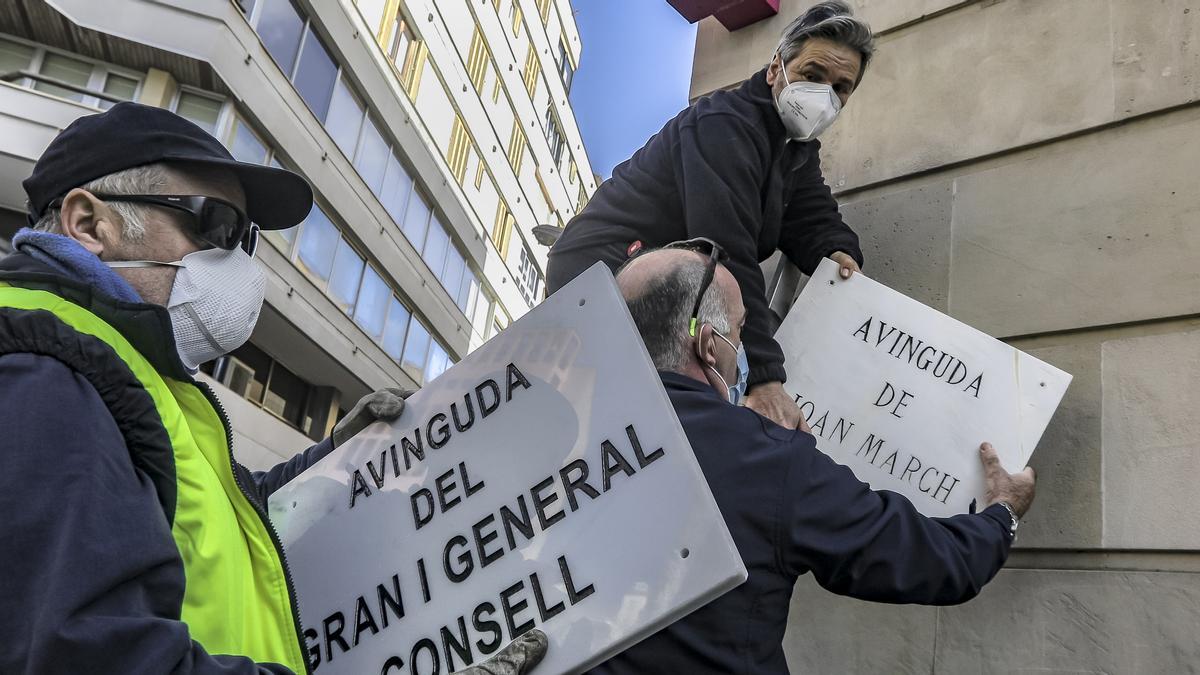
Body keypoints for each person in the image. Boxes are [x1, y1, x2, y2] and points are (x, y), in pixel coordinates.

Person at [0, 102, 544, 674]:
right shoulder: (44, 372)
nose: (235, 262)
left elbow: (221, 526)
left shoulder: (126, 371)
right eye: (215, 226)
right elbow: (97, 658)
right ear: (88, 225)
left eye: (245, 241)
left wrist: (339, 460)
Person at [588, 242, 1036, 674]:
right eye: (740, 333)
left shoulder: (567, 445)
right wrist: (1002, 514)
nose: (741, 352)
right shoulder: (768, 460)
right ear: (708, 345)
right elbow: (937, 562)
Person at [547, 1, 874, 431]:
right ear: (776, 68)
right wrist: (764, 378)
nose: (824, 96)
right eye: (812, 76)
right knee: (643, 420)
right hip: (602, 273)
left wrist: (839, 253)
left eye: (841, 87)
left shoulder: (795, 149)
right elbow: (725, 251)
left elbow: (811, 216)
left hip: (671, 282)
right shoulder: (725, 124)